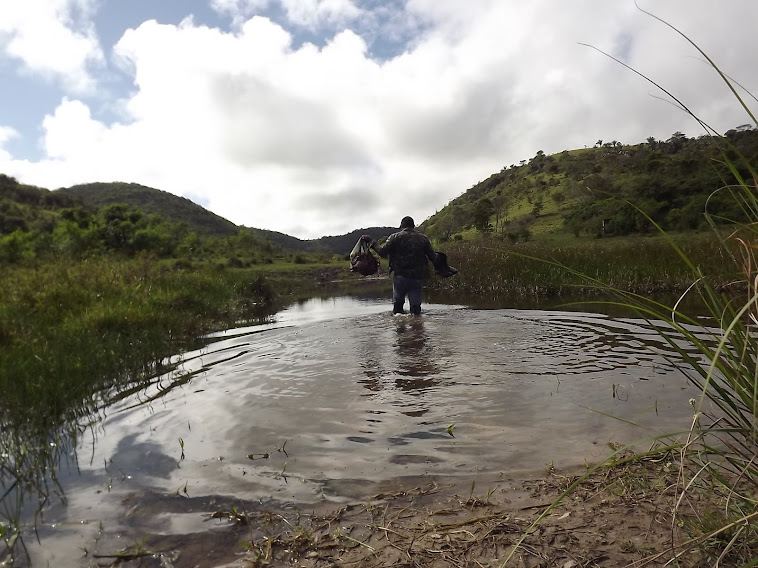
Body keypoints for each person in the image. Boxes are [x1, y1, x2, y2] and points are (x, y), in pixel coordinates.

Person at [362, 216, 436, 316]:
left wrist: (371, 241)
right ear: (413, 226)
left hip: (400, 275)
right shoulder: (423, 238)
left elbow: (382, 252)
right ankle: (417, 329)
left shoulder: (394, 237)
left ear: (401, 226)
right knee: (416, 309)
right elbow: (432, 257)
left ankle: (400, 329)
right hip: (417, 276)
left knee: (398, 310)